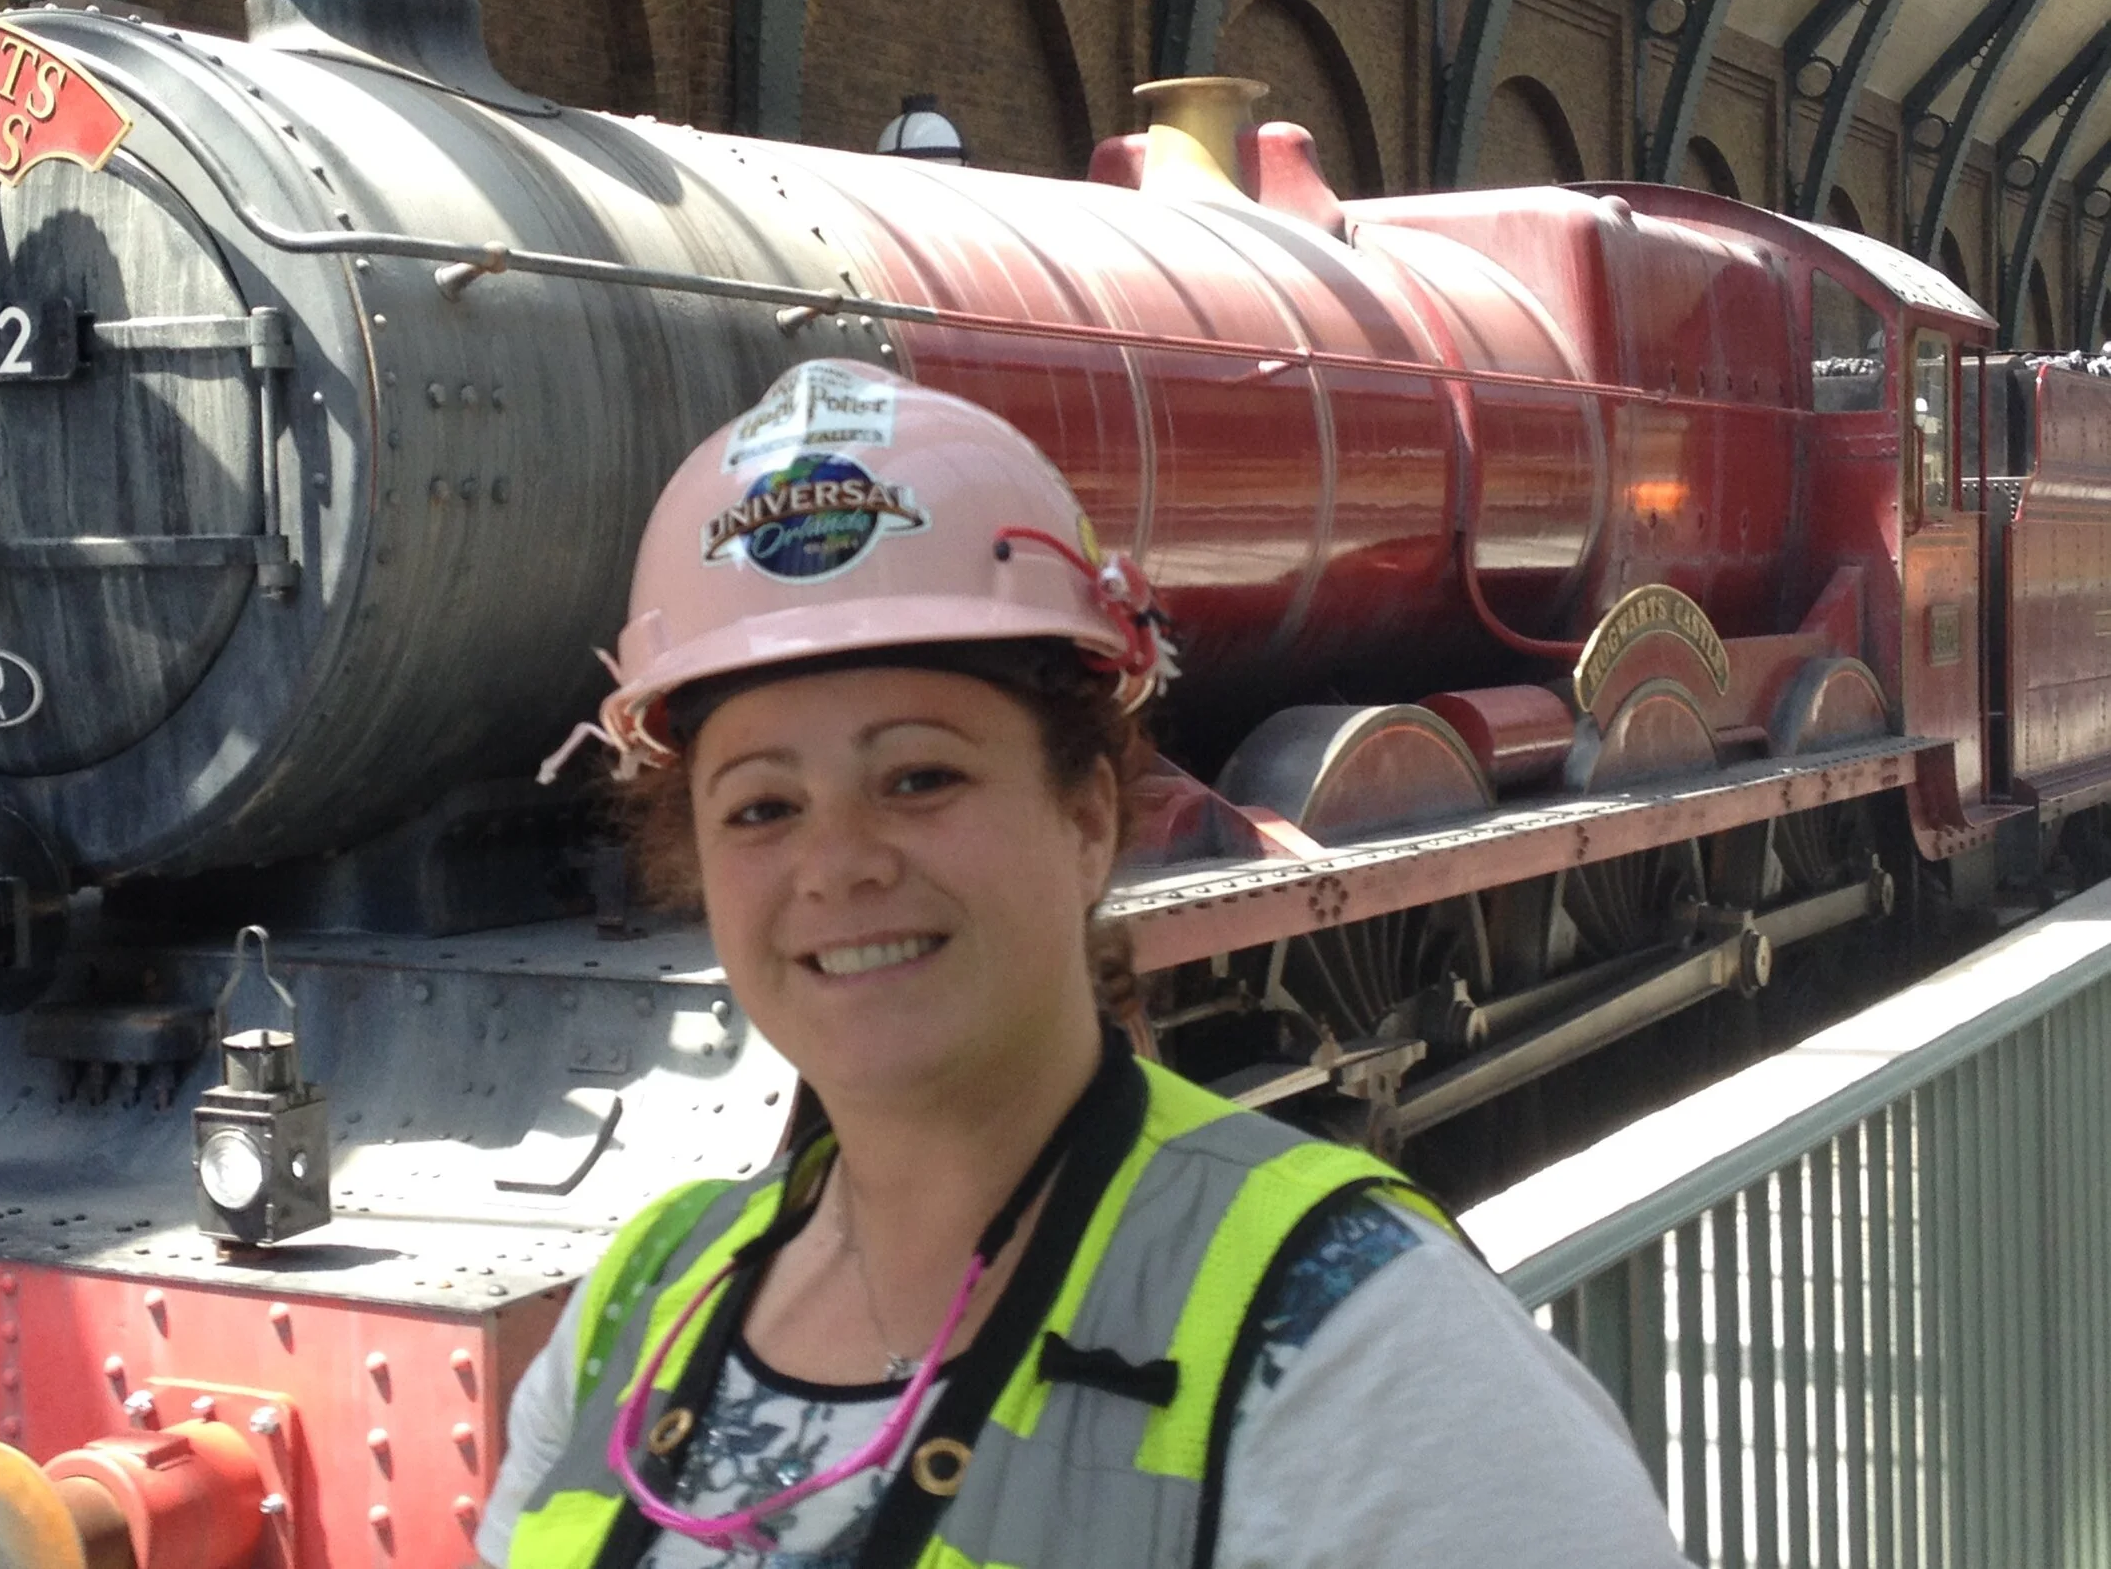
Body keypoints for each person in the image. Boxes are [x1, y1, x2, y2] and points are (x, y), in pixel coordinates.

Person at [486, 362, 1686, 1568]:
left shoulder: (1351, 1328)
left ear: (1088, 818)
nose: (835, 864)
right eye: (759, 808)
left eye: (919, 777)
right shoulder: (640, 1299)